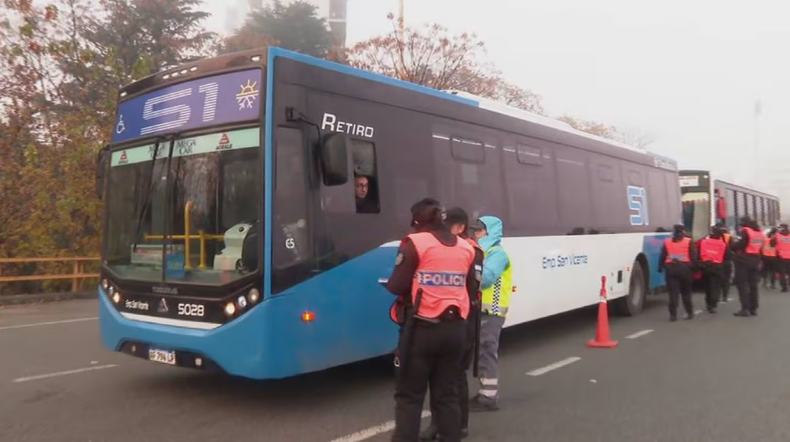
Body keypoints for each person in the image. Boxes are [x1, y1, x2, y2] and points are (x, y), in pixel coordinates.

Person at [386, 198, 479, 442]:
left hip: (421, 329)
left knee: (410, 396)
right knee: (447, 395)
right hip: (456, 329)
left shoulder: (416, 243)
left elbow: (396, 286)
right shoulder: (466, 247)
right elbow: (471, 289)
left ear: (417, 221)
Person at [420, 208, 485, 441]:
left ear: (460, 228)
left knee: (455, 374)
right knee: (437, 374)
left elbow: (473, 287)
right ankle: (438, 423)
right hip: (443, 318)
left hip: (463, 318)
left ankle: (459, 424)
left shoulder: (472, 250)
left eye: (448, 228)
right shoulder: (445, 247)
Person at [467, 216, 511, 412]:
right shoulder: (479, 251)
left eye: (480, 230)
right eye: (475, 230)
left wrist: (465, 271)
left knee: (486, 350)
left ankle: (489, 397)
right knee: (481, 352)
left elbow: (486, 279)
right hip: (479, 309)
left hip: (492, 310)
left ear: (491, 232)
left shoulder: (497, 254)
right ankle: (485, 393)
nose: (475, 234)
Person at [658, 224, 698, 321]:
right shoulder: (688, 241)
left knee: (673, 294)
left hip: (671, 270)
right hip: (685, 270)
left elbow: (662, 256)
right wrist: (694, 269)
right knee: (686, 293)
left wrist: (660, 267)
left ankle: (673, 315)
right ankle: (689, 313)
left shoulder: (667, 242)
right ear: (683, 232)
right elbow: (694, 257)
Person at [731, 216, 765, 317]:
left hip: (743, 260)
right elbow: (761, 246)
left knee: (742, 284)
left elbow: (741, 245)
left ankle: (745, 308)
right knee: (753, 285)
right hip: (755, 259)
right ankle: (753, 308)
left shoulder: (746, 231)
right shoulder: (759, 233)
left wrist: (732, 245)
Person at [699, 226, 730, 313]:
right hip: (717, 267)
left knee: (707, 286)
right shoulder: (723, 244)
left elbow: (698, 253)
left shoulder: (703, 242)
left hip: (705, 266)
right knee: (716, 286)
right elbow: (726, 257)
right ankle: (713, 303)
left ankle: (708, 303)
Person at [718, 222, 734, 302]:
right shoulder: (729, 236)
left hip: (717, 260)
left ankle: (717, 296)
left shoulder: (713, 237)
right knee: (727, 279)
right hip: (727, 260)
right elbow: (733, 248)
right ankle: (725, 296)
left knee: (717, 279)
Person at [772, 223, 790, 292]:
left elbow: (772, 244)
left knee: (782, 273)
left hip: (781, 257)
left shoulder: (777, 235)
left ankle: (784, 287)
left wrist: (774, 236)